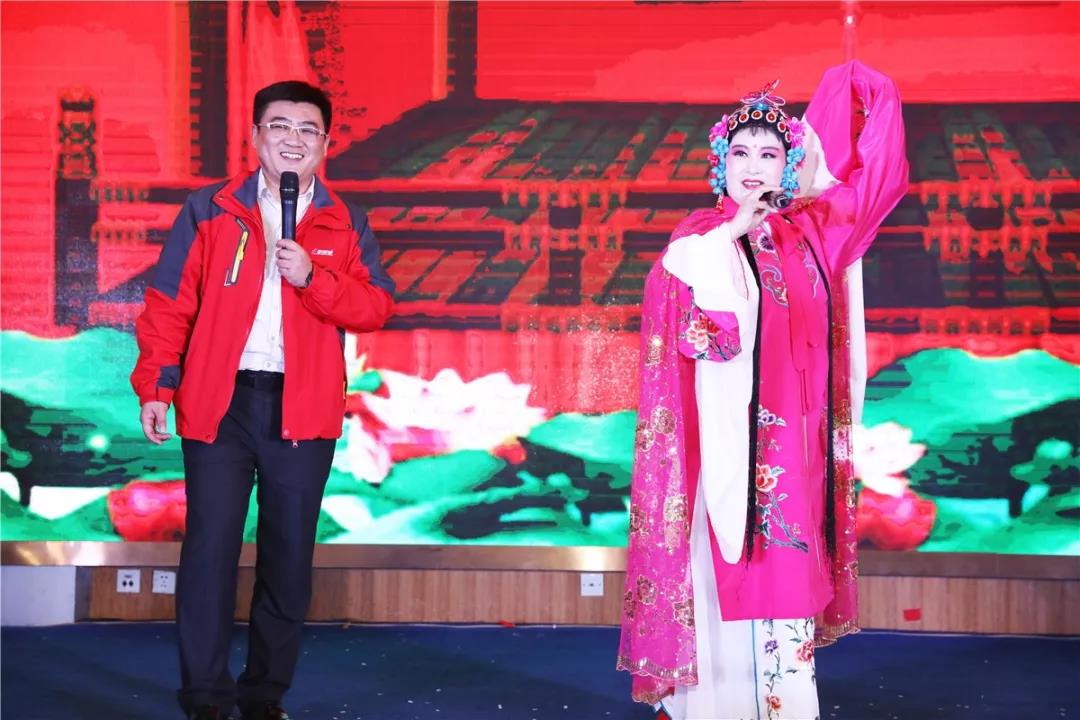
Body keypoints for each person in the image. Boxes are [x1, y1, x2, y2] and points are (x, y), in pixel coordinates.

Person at [617, 61, 908, 719]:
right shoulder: (699, 239)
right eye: (740, 152)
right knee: (721, 587)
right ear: (720, 163)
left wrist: (862, 89)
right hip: (725, 458)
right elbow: (705, 340)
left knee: (787, 605)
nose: (753, 165)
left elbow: (876, 182)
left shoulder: (813, 233)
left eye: (769, 153)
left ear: (789, 165)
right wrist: (733, 233)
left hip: (792, 458)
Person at [131, 80, 395, 720]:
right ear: (255, 137)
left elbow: (375, 306)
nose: (293, 139)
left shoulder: (345, 220)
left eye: (308, 129)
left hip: (302, 409)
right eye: (280, 126)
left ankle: (263, 694)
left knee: (288, 558)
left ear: (325, 144)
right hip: (219, 404)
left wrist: (314, 277)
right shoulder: (209, 209)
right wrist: (158, 385)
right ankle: (204, 695)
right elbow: (170, 303)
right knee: (209, 552)